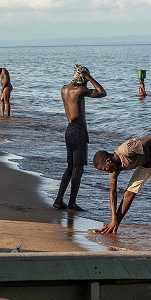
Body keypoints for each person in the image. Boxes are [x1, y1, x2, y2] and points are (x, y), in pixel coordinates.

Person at [92, 134, 151, 238]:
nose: (106, 172)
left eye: (105, 169)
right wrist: (113, 219)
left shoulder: (127, 150)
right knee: (129, 193)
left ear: (108, 160)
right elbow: (112, 192)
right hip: (145, 165)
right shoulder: (113, 169)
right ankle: (114, 226)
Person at [53, 65, 106, 211]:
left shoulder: (64, 88)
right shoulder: (80, 90)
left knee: (70, 167)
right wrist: (89, 77)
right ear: (82, 77)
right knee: (78, 169)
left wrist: (84, 78)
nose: (87, 83)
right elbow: (102, 92)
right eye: (85, 79)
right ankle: (72, 203)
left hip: (69, 129)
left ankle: (59, 200)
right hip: (78, 131)